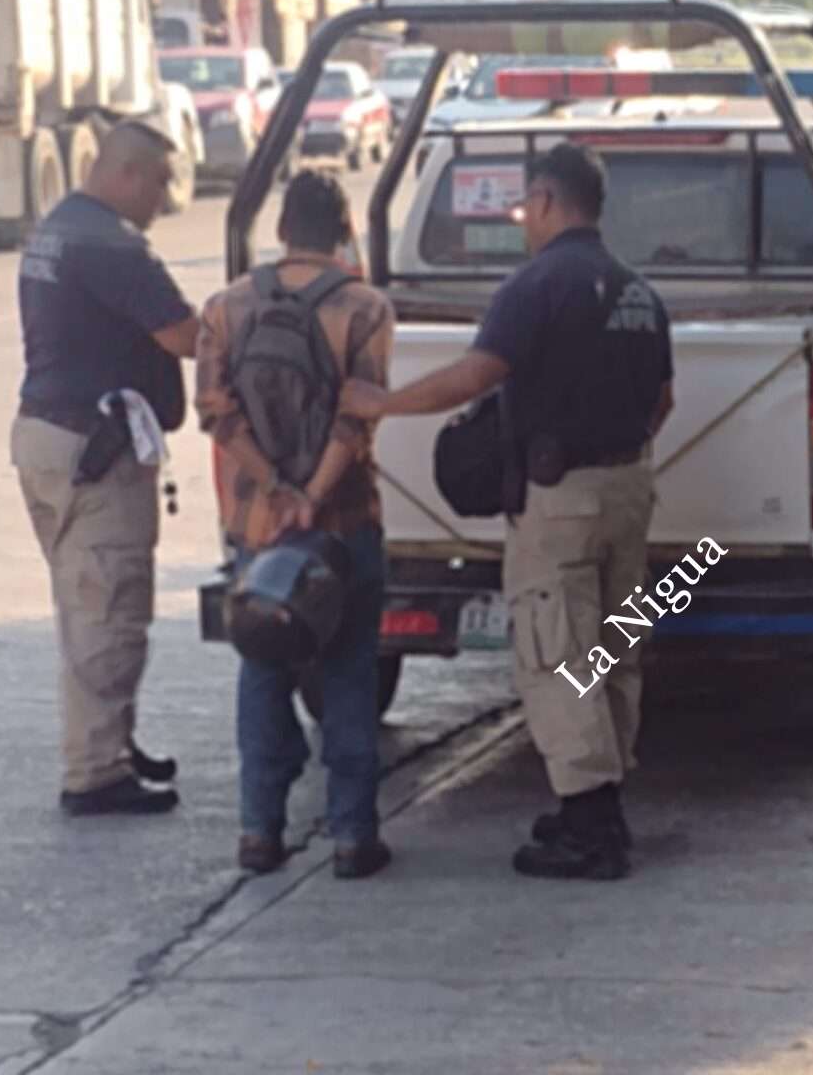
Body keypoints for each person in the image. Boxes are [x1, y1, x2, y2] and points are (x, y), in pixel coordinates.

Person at [341, 143, 674, 882]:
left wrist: (386, 404)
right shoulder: (638, 292)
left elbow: (476, 374)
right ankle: (604, 797)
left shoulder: (537, 285)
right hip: (628, 488)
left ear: (550, 202)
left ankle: (590, 826)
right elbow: (663, 402)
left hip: (561, 503)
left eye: (526, 207)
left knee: (558, 656)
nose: (524, 220)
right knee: (612, 649)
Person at [195, 170, 395, 880]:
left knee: (261, 671)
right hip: (343, 523)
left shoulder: (227, 306)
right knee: (347, 676)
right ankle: (351, 838)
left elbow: (216, 413)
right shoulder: (365, 306)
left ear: (280, 230)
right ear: (344, 231)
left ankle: (258, 832)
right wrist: (312, 493)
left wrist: (277, 489)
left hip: (258, 528)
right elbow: (357, 416)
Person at [10, 122, 197, 817]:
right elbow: (185, 334)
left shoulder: (57, 228)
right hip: (95, 454)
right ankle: (97, 772)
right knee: (108, 613)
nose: (167, 197)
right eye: (160, 182)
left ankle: (110, 739)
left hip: (48, 437)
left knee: (83, 605)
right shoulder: (111, 245)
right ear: (126, 174)